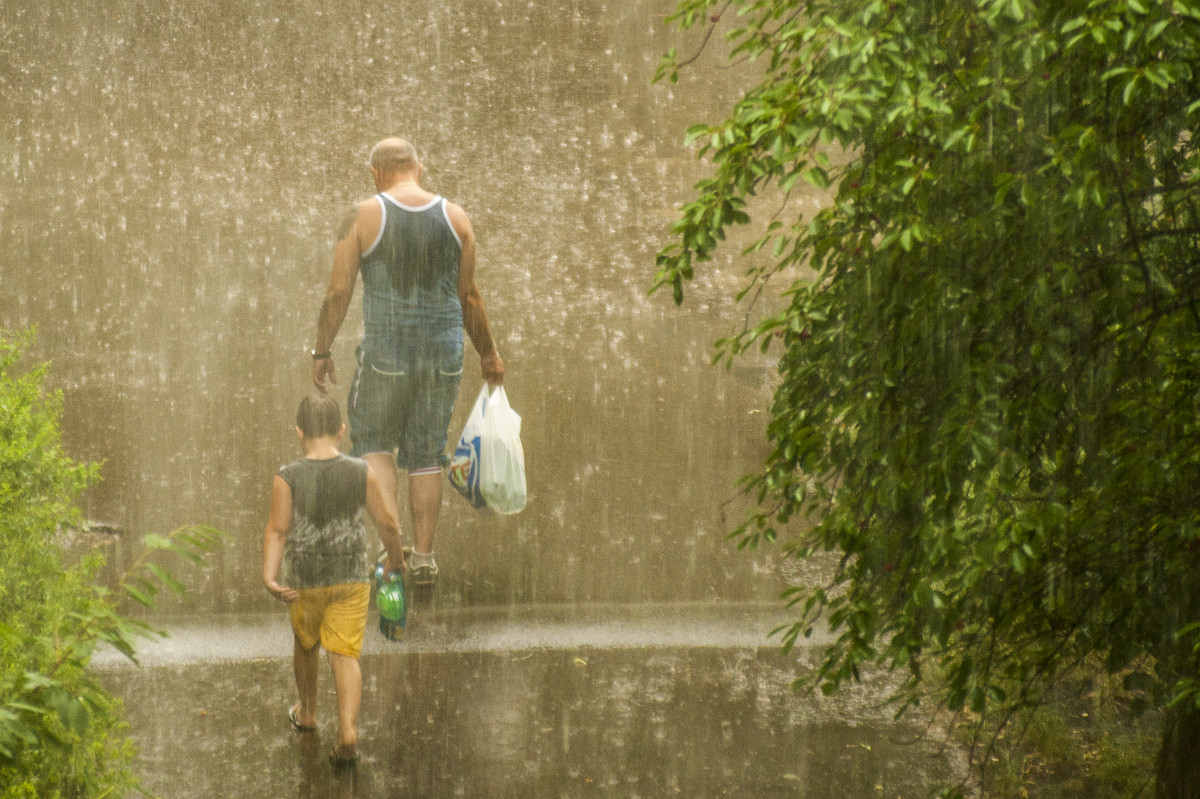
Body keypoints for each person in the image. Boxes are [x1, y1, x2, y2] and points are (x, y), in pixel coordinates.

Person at [310, 137, 504, 587]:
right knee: (426, 451)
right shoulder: (456, 218)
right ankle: (423, 558)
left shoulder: (363, 215)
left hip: (386, 354)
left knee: (374, 441)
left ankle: (389, 550)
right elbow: (469, 295)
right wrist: (489, 353)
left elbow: (337, 293)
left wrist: (321, 350)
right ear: (420, 167)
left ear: (375, 173)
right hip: (443, 353)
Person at [262, 393, 406, 766]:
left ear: (299, 432)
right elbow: (387, 522)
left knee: (306, 644)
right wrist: (396, 560)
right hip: (350, 578)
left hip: (304, 580)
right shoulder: (362, 471)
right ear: (341, 431)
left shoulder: (287, 476)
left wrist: (270, 576)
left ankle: (307, 713)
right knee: (344, 654)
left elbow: (277, 531)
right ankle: (348, 730)